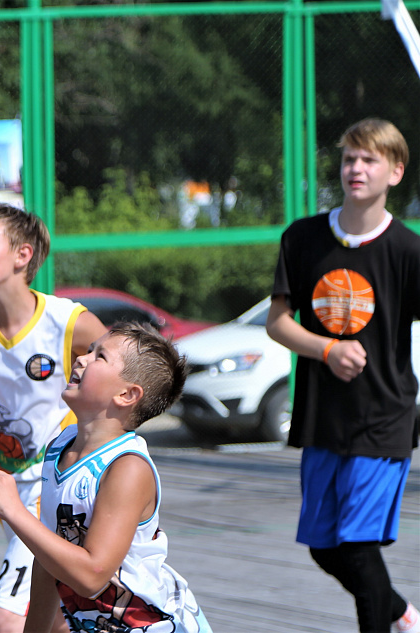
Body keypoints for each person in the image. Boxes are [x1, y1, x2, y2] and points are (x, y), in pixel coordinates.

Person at [266, 117, 420, 633]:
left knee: (357, 547)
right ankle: (403, 615)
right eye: (350, 157)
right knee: (325, 548)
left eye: (369, 159)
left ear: (395, 173)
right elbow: (278, 323)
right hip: (322, 417)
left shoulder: (408, 251)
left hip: (384, 416)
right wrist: (327, 349)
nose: (356, 168)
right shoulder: (304, 238)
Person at [0, 203, 107, 633]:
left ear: (22, 255)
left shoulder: (69, 321)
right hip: (6, 482)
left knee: (8, 618)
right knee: (54, 616)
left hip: (58, 481)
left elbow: (129, 374)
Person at [0, 322, 213, 632]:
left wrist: (14, 511)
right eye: (89, 350)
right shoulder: (60, 447)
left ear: (127, 394)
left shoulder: (127, 467)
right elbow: (48, 560)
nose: (82, 359)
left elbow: (92, 575)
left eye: (99, 356)